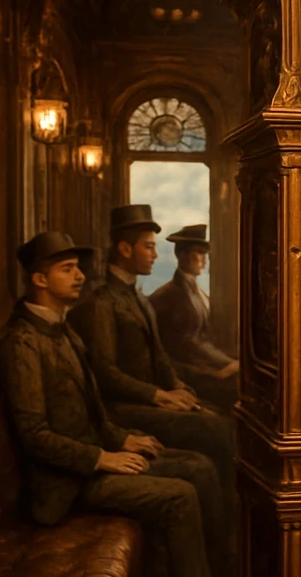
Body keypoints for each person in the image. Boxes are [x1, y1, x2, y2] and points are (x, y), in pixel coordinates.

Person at [0, 232, 237, 577]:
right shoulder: (21, 343)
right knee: (179, 495)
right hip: (64, 484)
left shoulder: (61, 330)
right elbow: (35, 437)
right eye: (67, 270)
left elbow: (93, 410)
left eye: (78, 268)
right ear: (38, 279)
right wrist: (104, 457)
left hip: (93, 458)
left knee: (198, 466)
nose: (79, 277)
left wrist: (124, 438)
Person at [68, 205, 237, 536]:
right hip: (122, 411)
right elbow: (105, 373)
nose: (155, 255)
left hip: (147, 403)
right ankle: (222, 542)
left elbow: (160, 357)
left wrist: (178, 387)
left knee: (216, 416)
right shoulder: (103, 303)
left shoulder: (139, 298)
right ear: (125, 249)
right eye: (149, 246)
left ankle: (223, 530)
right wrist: (159, 395)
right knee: (214, 429)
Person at [149, 224, 238, 412]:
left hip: (207, 367)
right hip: (189, 375)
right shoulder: (170, 295)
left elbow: (205, 340)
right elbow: (187, 346)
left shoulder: (197, 292)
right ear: (180, 255)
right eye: (198, 253)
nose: (204, 260)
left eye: (205, 253)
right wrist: (225, 365)